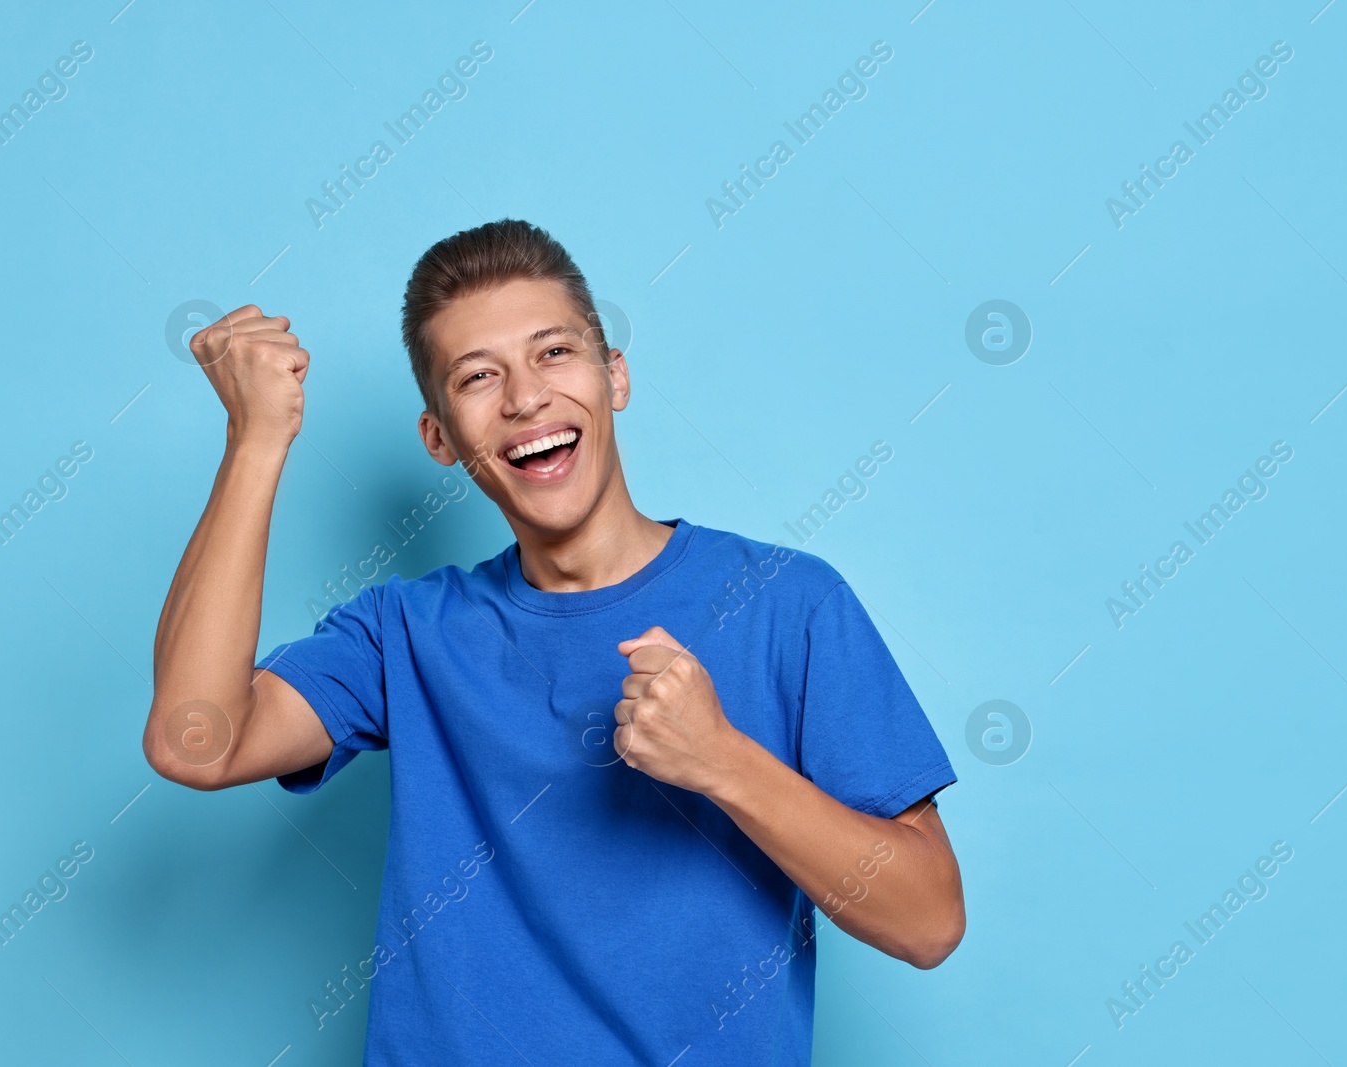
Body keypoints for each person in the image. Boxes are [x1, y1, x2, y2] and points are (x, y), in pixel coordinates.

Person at [143, 219, 964, 1065]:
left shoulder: (791, 603)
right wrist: (256, 441)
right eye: (477, 376)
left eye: (553, 353)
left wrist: (723, 759)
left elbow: (929, 920)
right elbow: (193, 740)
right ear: (440, 438)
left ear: (616, 377)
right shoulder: (407, 632)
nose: (525, 397)